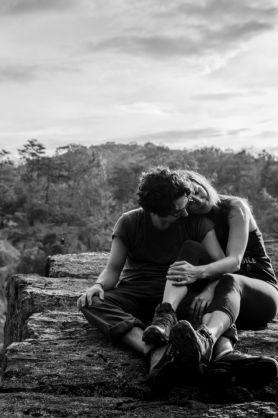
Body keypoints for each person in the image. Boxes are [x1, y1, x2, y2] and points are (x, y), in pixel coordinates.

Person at [77, 167, 227, 390]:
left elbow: (221, 265)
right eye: (178, 210)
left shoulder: (196, 223)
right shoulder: (129, 222)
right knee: (91, 302)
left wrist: (209, 290)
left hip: (179, 294)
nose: (186, 213)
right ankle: (153, 349)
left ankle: (221, 357)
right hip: (136, 291)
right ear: (157, 211)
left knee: (214, 308)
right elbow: (113, 269)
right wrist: (98, 285)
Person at [159, 170, 278, 389]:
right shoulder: (193, 221)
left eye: (197, 191)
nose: (199, 201)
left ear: (202, 182)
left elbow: (234, 262)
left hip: (259, 292)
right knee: (190, 251)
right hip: (224, 303)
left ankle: (205, 339)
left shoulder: (235, 208)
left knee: (229, 281)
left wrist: (205, 281)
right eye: (190, 202)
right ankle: (220, 362)